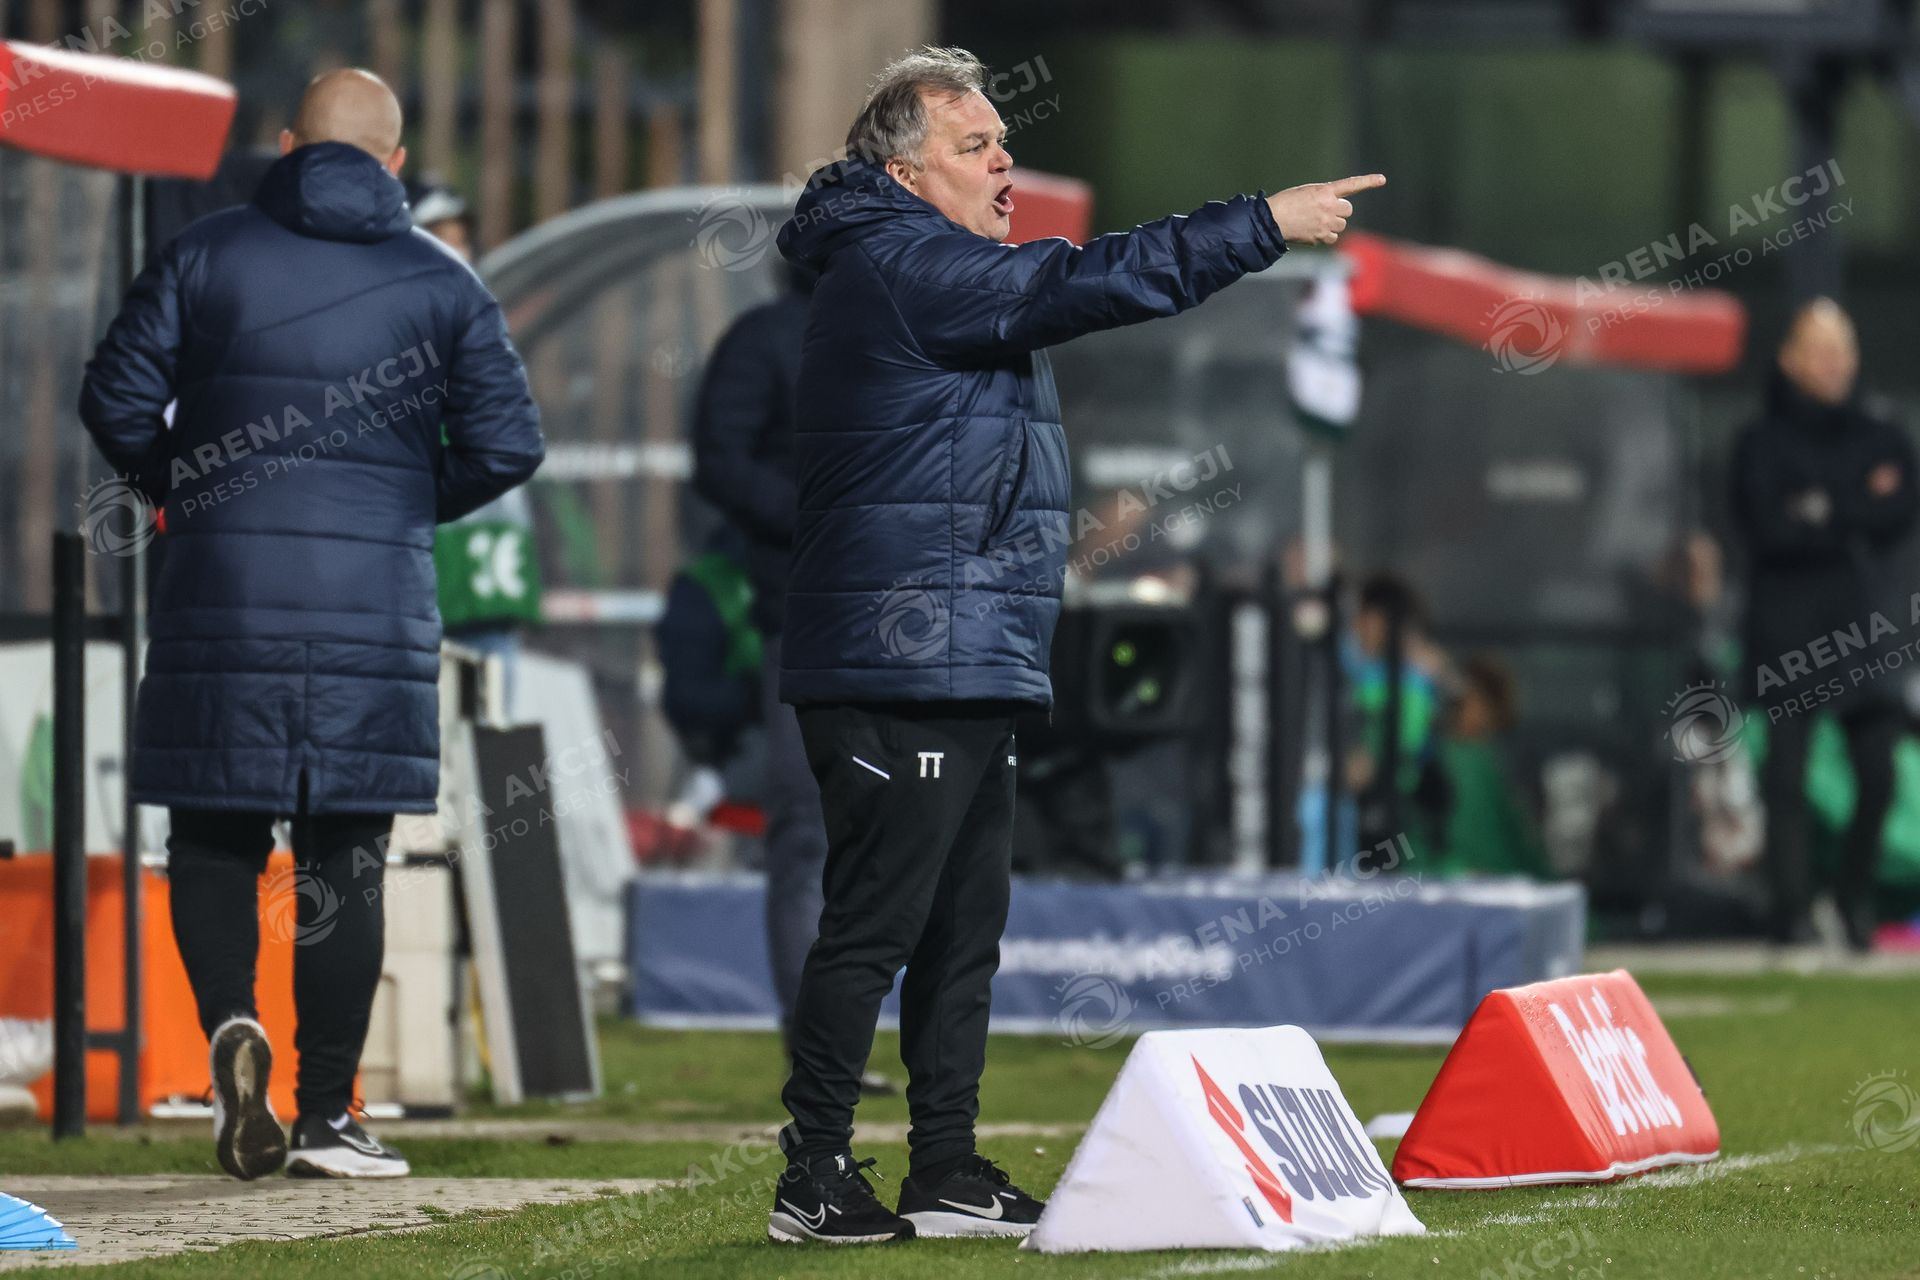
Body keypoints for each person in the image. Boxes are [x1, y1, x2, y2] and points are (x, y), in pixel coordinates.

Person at [764, 45, 1382, 1244]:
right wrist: (1262, 222)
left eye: (1005, 139)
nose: (1007, 162)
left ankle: (943, 1165)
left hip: (965, 650)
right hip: (905, 658)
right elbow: (1089, 280)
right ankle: (814, 1170)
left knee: (962, 931)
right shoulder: (903, 260)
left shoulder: (919, 260)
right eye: (976, 145)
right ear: (904, 173)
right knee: (878, 921)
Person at [79, 69, 543, 1179]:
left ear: (288, 147)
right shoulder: (444, 279)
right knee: (348, 853)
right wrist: (398, 503)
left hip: (221, 591)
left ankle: (231, 1026)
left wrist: (188, 486)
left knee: (213, 834)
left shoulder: (205, 252)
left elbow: (115, 397)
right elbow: (509, 442)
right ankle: (329, 1113)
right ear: (396, 163)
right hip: (372, 607)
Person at [690, 267, 901, 1097]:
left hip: (889, 617)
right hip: (809, 615)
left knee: (872, 834)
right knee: (812, 831)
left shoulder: (901, 324)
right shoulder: (773, 338)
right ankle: (821, 1049)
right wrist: (820, 516)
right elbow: (720, 460)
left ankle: (842, 1043)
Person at [1731, 297, 1917, 950]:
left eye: (1841, 350)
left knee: (1879, 774)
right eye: (1818, 349)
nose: (1832, 363)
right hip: (1788, 630)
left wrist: (1820, 507)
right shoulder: (1760, 440)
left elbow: (1898, 512)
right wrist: (1854, 504)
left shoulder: (1884, 433)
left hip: (1863, 631)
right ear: (1790, 358)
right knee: (1786, 779)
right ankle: (1791, 912)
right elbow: (1769, 527)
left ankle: (1852, 897)